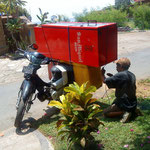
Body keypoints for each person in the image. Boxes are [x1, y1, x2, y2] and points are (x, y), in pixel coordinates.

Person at [101, 57, 139, 123]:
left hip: (124, 102)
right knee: (113, 106)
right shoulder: (132, 74)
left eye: (117, 65)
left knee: (105, 113)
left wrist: (102, 74)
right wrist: (112, 77)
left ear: (120, 66)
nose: (116, 67)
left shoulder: (120, 75)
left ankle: (124, 112)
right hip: (132, 102)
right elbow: (122, 84)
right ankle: (132, 110)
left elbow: (105, 81)